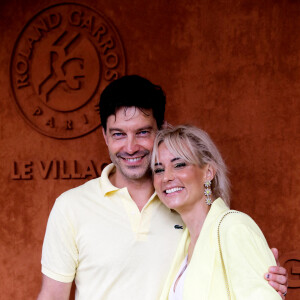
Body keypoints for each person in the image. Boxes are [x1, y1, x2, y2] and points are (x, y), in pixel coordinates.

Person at [37, 75, 287, 300]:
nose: (131, 147)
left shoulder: (190, 208)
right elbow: (52, 296)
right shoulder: (71, 206)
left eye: (143, 132)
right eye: (118, 134)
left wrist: (263, 276)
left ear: (161, 130)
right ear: (105, 136)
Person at [151, 124, 287, 299]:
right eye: (159, 169)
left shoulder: (234, 227)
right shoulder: (183, 242)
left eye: (179, 165)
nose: (166, 177)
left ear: (208, 172)